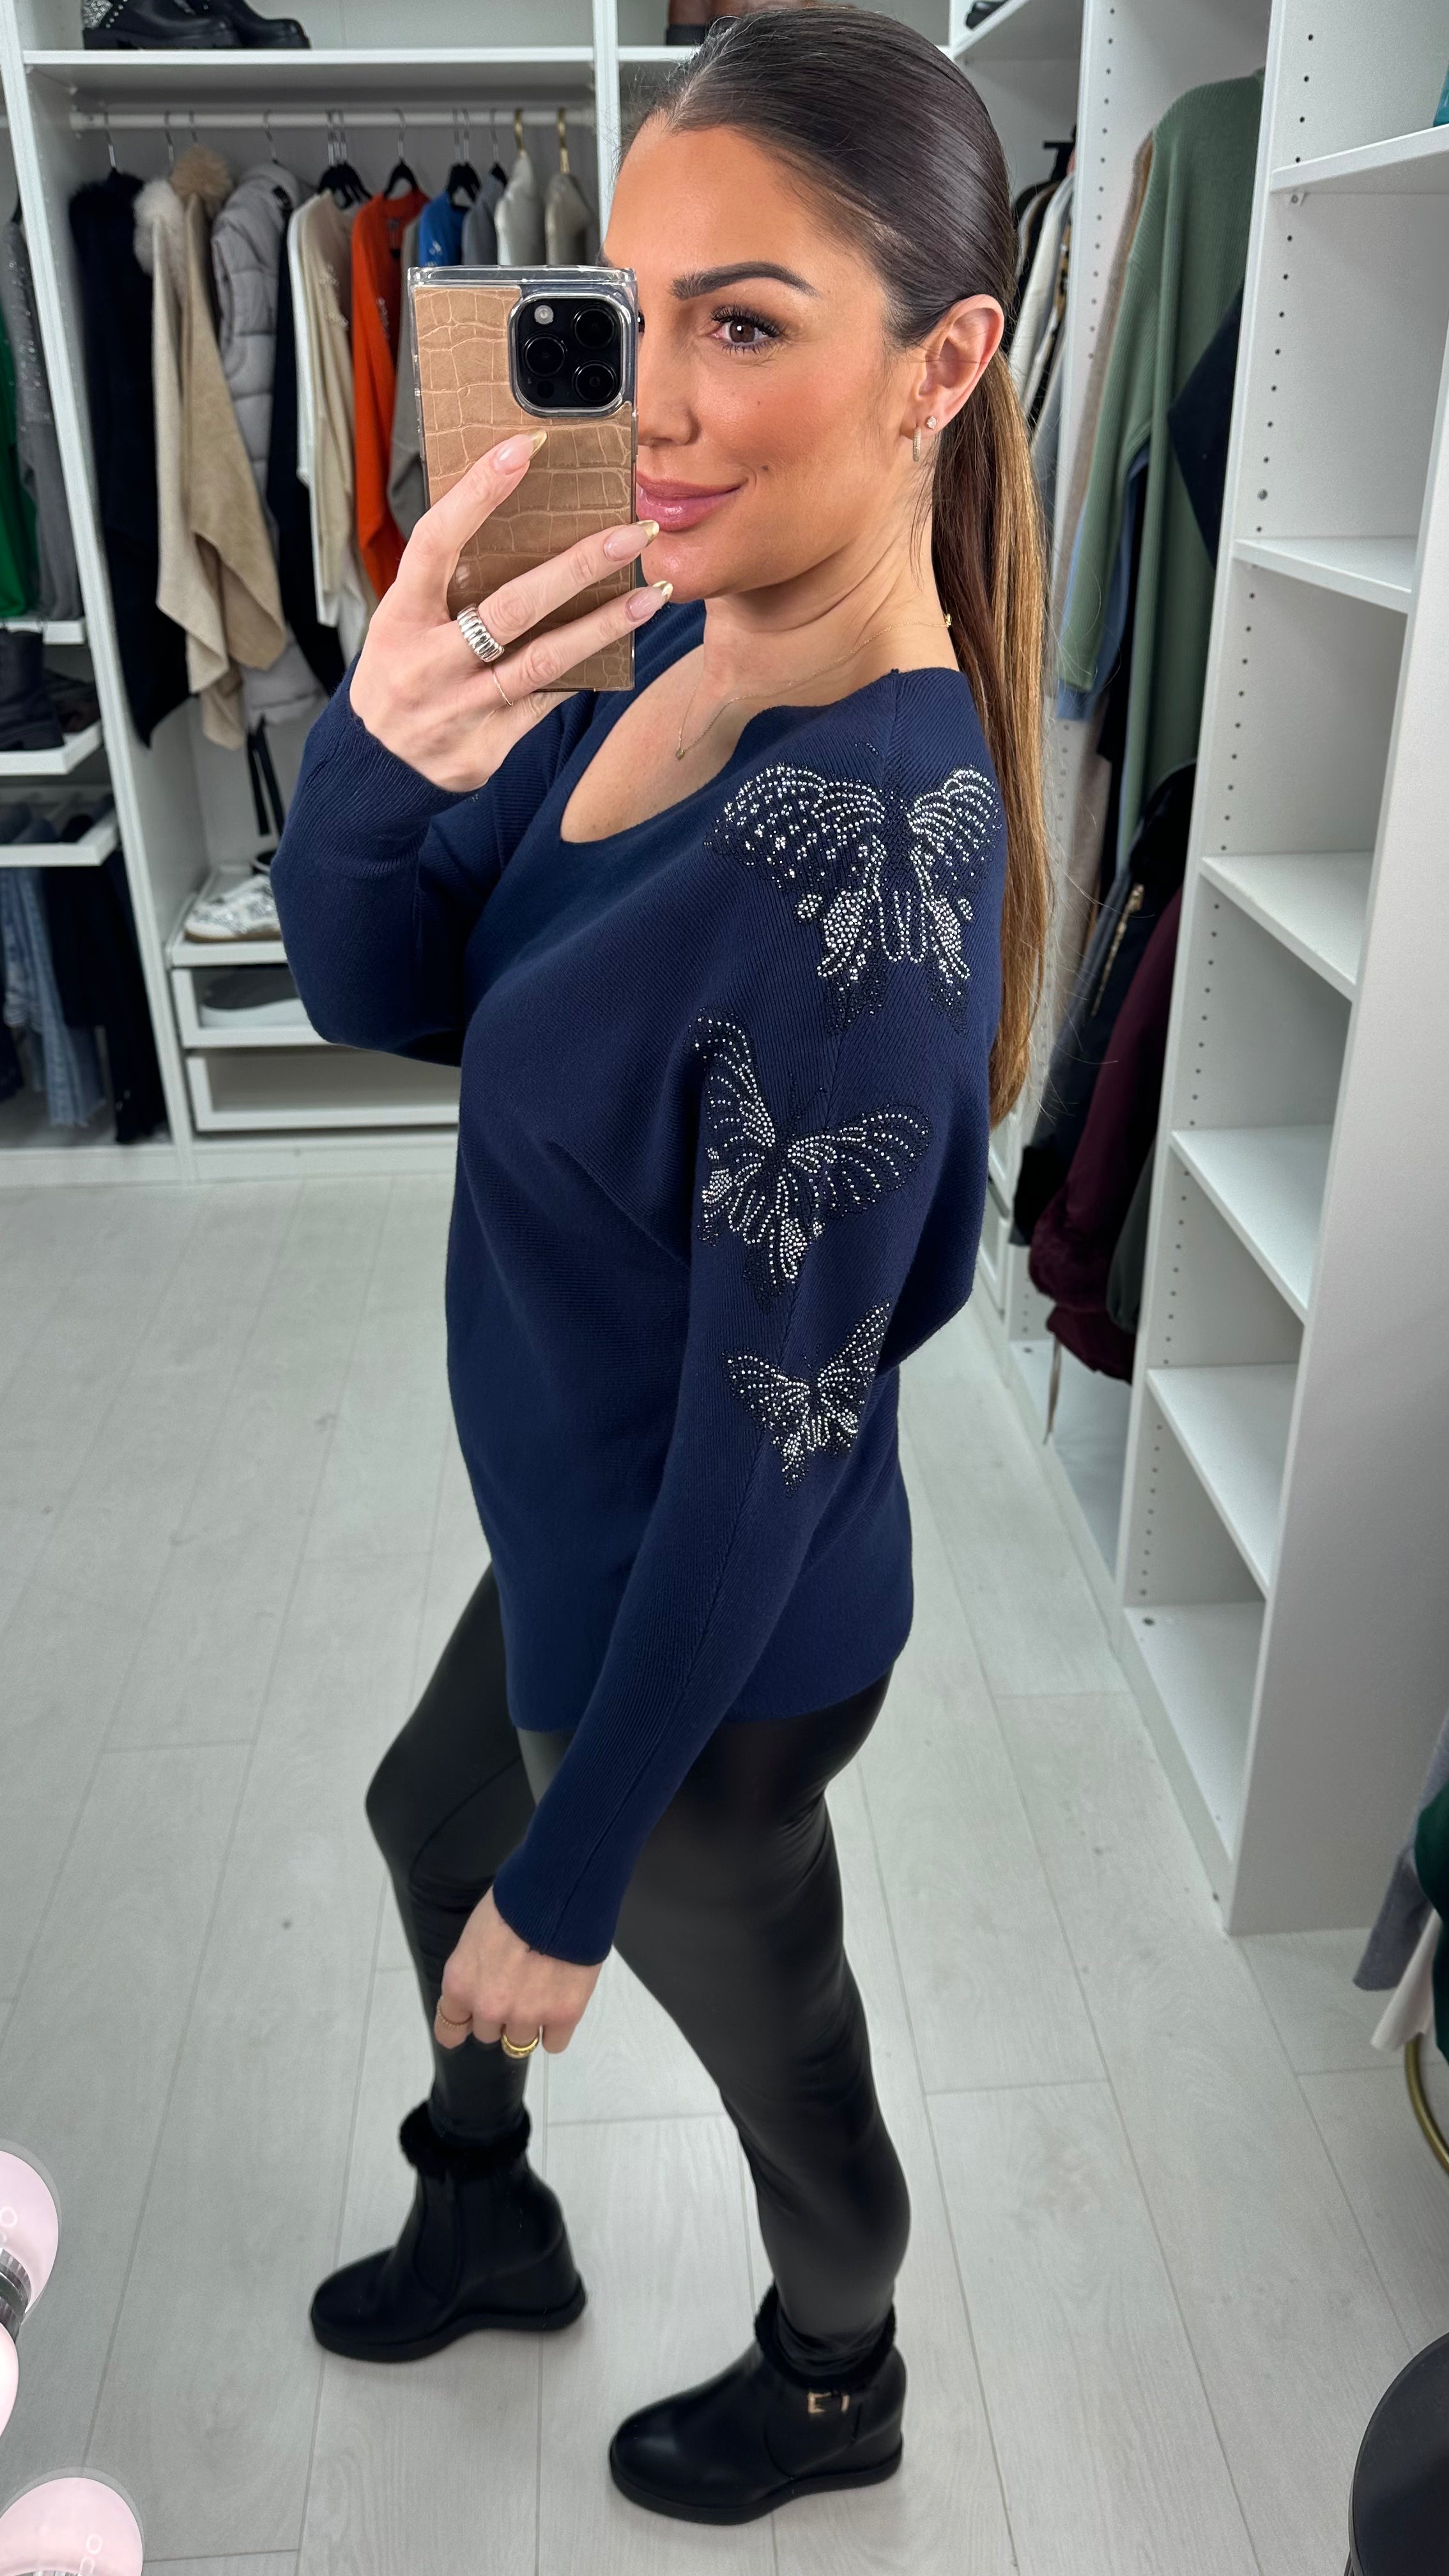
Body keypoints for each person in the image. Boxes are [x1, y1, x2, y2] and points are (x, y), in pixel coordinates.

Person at [270, 4, 1049, 2526]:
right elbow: (385, 990)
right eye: (637, 314)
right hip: (579, 1528)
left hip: (719, 1633)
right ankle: (486, 2210)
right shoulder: (656, 659)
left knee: (773, 2042)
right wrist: (380, 738)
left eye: (750, 320)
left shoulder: (869, 873)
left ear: (944, 363)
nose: (668, 406)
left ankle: (840, 2377)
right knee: (425, 1818)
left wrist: (584, 1867)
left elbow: (772, 1436)